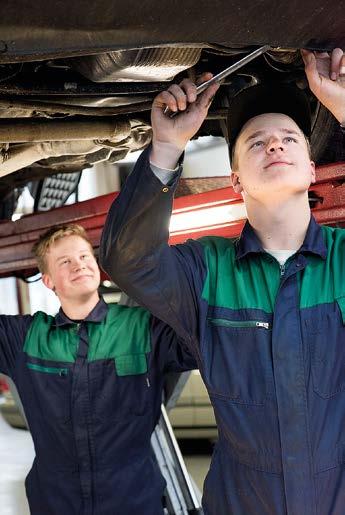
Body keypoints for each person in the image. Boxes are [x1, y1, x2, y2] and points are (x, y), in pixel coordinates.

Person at [99, 48, 345, 515]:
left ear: (312, 169)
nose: (274, 145)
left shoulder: (341, 263)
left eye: (290, 139)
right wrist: (167, 147)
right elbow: (127, 259)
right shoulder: (208, 271)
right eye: (256, 142)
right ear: (236, 180)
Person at [0, 223, 196, 515]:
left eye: (83, 257)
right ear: (49, 281)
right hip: (55, 504)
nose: (78, 265)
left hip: (133, 502)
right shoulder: (26, 339)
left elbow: (205, 337)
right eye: (65, 261)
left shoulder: (143, 328)